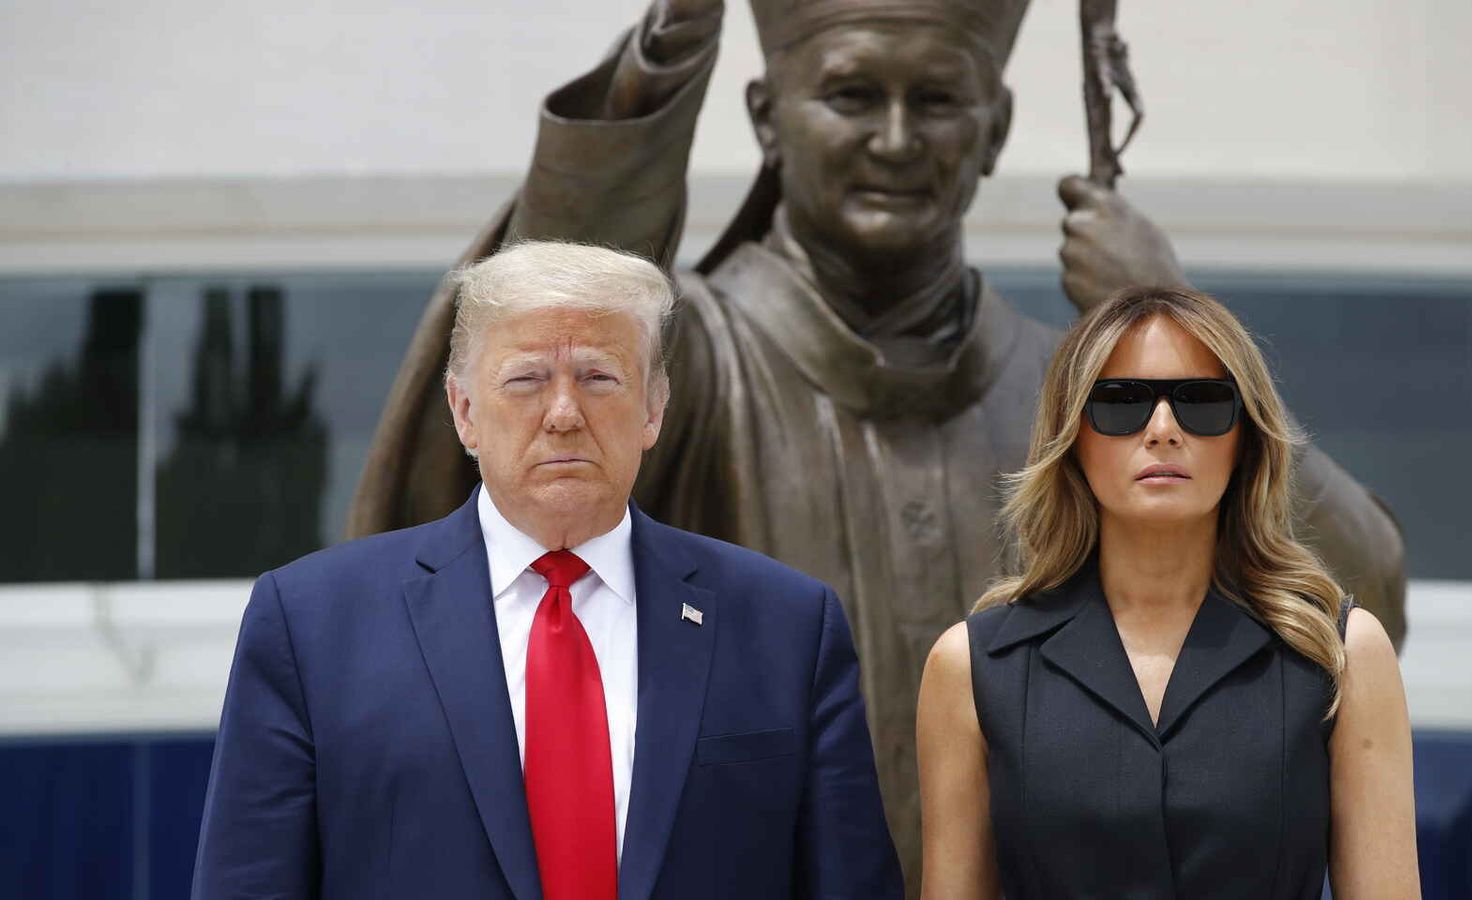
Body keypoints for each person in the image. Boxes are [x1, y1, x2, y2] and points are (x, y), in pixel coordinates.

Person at [346, 0, 1408, 884]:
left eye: (937, 100)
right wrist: (662, 64)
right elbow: (544, 337)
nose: (896, 141)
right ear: (767, 117)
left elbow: (1350, 608)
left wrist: (1166, 324)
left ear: (994, 127)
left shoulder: (1088, 404)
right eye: (853, 95)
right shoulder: (690, 365)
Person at [192, 241, 903, 899]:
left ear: (654, 408)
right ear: (464, 411)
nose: (564, 413)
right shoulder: (313, 625)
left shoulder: (785, 626)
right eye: (527, 379)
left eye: (598, 377)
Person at [918, 286, 1420, 898]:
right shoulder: (974, 666)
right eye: (1121, 402)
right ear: (1072, 437)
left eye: (1202, 402)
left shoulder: (1339, 655)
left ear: (1245, 439)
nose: (1162, 430)